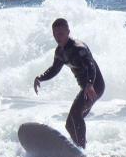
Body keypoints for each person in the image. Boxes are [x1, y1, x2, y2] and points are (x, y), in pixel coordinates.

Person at [33, 17, 105, 148]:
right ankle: (77, 149)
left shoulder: (79, 48)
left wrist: (89, 84)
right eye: (55, 34)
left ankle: (82, 150)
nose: (58, 37)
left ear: (68, 32)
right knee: (69, 124)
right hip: (86, 88)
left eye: (61, 34)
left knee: (76, 115)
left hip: (95, 86)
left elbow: (91, 66)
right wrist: (40, 78)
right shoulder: (60, 52)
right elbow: (54, 69)